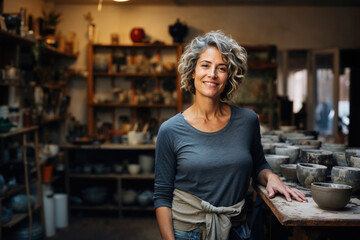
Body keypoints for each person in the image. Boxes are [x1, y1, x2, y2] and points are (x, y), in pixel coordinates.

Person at [154, 30, 307, 240]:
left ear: (229, 76)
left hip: (236, 231)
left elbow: (258, 165)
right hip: (187, 233)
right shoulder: (170, 130)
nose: (212, 74)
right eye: (205, 65)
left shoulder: (248, 121)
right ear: (192, 71)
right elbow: (162, 195)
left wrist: (271, 177)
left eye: (222, 68)